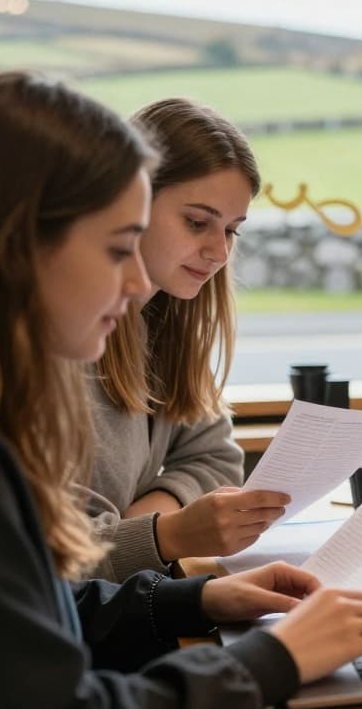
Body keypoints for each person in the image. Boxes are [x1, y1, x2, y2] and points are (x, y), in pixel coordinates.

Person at [0, 71, 362, 709]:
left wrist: (193, 597)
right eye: (117, 248)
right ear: (19, 246)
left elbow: (42, 608)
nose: (136, 285)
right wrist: (273, 657)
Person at [86, 98, 288, 581]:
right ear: (131, 204)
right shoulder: (65, 341)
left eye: (232, 231)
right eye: (197, 222)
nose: (219, 251)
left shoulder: (164, 319)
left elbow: (216, 457)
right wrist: (166, 534)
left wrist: (146, 524)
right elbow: (51, 560)